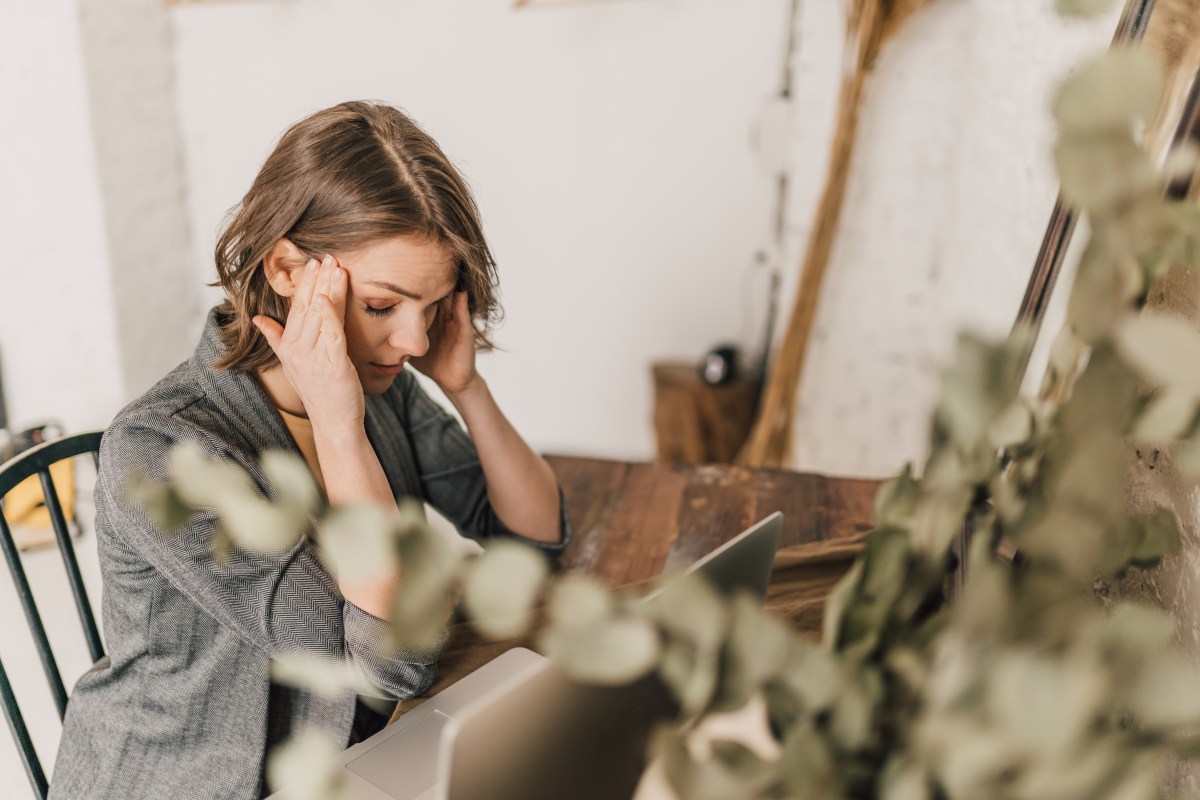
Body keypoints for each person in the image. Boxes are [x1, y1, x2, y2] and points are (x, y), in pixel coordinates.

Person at [48, 100, 570, 800]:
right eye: (383, 306)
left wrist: (465, 387)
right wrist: (336, 422)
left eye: (432, 307)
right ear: (288, 269)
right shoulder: (163, 450)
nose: (414, 341)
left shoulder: (382, 386)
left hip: (353, 755)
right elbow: (389, 664)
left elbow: (534, 538)